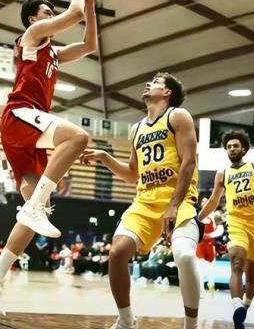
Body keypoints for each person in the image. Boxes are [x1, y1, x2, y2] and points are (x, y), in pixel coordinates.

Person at [0, 0, 97, 315]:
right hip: (20, 115)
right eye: (47, 11)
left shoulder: (54, 53)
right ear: (33, 19)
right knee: (78, 138)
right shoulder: (31, 37)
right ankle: (33, 206)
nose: (51, 15)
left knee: (35, 213)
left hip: (31, 128)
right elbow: (75, 14)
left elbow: (89, 43)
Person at [81, 72, 201, 329]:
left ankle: (191, 325)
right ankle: (126, 320)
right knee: (117, 252)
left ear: (167, 92)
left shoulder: (178, 116)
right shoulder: (136, 129)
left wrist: (174, 205)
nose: (149, 84)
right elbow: (132, 175)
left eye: (156, 83)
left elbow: (189, 161)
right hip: (144, 201)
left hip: (178, 199)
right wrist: (104, 157)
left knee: (184, 255)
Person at [199, 130, 254, 329]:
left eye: (235, 146)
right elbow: (214, 200)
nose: (232, 149)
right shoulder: (222, 174)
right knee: (237, 262)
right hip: (236, 222)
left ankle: (244, 307)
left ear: (244, 149)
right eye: (229, 147)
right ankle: (236, 305)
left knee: (251, 277)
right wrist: (198, 218)